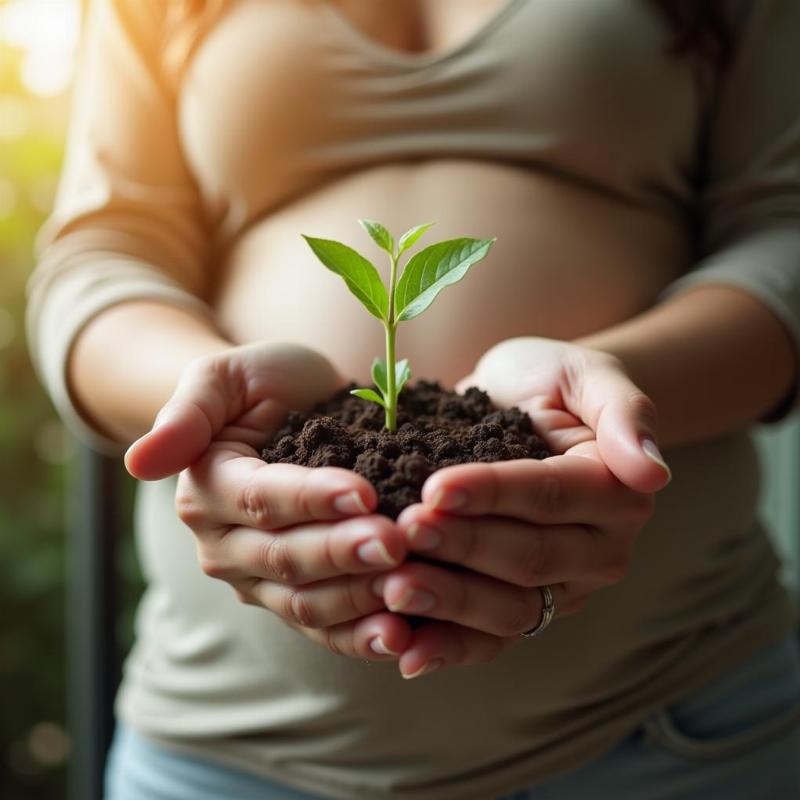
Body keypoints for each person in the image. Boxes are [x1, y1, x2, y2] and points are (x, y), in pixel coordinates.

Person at [27, 0, 800, 797]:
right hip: (224, 744)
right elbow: (103, 250)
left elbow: (784, 227)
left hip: (664, 728)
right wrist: (207, 398)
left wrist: (608, 383)